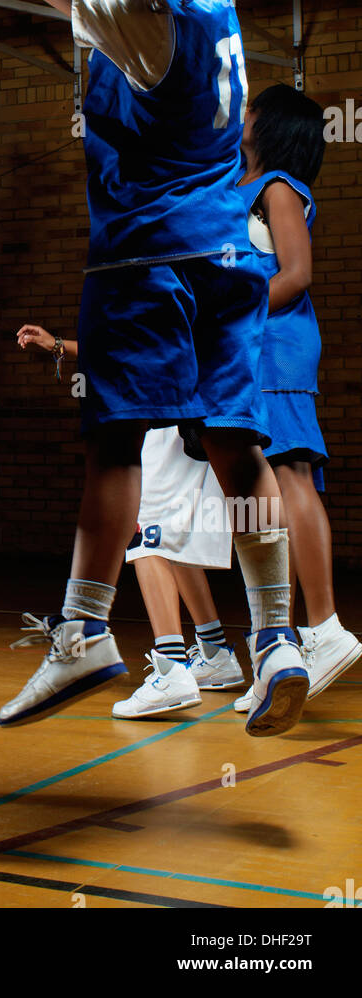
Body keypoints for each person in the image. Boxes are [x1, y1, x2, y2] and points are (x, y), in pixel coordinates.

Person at [0, 0, 308, 737]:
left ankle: (83, 631)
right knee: (238, 453)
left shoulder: (138, 19)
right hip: (223, 256)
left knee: (114, 443)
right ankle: (277, 637)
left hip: (147, 260)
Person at [16, 328, 243, 719]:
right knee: (172, 541)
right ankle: (215, 651)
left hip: (169, 416)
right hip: (202, 412)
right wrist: (58, 346)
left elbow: (123, 348)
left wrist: (60, 347)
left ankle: (172, 668)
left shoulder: (161, 280)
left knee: (146, 537)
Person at [231, 84, 361, 706]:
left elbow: (296, 273)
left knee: (291, 477)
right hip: (253, 349)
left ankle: (327, 627)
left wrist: (235, 317)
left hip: (276, 342)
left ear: (274, 126)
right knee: (263, 486)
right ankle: (277, 644)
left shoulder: (279, 186)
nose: (242, 114)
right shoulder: (240, 183)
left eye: (252, 110)